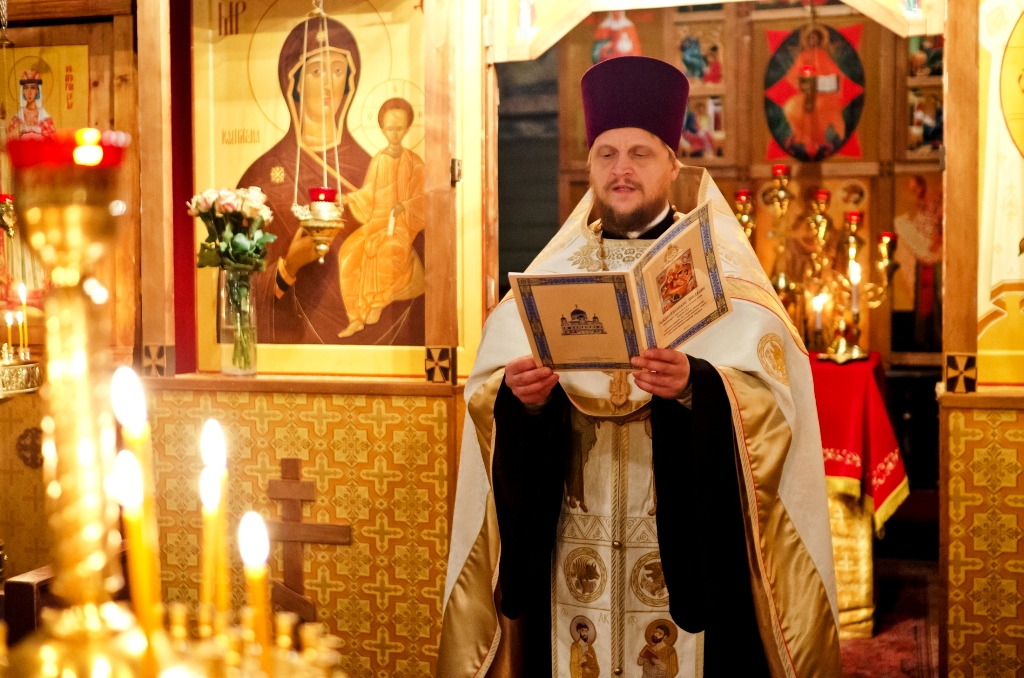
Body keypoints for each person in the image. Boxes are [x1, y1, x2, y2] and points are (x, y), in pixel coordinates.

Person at [439, 56, 841, 678]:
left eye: (639, 153)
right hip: (571, 548)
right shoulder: (548, 282)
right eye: (606, 154)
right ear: (590, 166)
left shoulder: (728, 285)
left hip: (686, 550)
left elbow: (776, 407)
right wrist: (523, 402)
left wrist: (700, 387)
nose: (621, 169)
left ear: (673, 165)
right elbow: (492, 404)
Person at [237, 19, 423, 345]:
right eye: (316, 71)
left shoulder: (376, 164)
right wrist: (289, 267)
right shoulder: (261, 176)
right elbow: (235, 286)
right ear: (293, 81)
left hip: (374, 353)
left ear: (349, 81)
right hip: (288, 348)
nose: (327, 85)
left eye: (337, 71)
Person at [336, 98, 425, 338]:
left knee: (388, 250)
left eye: (399, 128)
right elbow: (370, 193)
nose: (394, 134)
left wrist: (403, 206)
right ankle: (356, 317)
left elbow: (423, 199)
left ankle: (375, 302)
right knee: (349, 253)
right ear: (382, 129)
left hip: (401, 226)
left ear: (407, 128)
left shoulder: (415, 163)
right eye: (389, 128)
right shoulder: (379, 159)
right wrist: (349, 199)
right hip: (376, 222)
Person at [7, 70, 55, 141]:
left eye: (32, 88)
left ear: (37, 90)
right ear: (23, 91)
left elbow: (52, 141)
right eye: (26, 88)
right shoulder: (17, 119)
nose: (29, 92)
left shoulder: (45, 119)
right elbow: (9, 141)